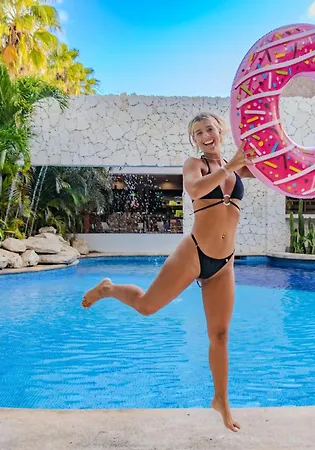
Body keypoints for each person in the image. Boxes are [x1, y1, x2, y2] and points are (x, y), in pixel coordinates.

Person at [82, 112, 255, 432]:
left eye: (209, 129)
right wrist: (229, 166)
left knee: (220, 334)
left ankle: (221, 400)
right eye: (198, 132)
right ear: (194, 140)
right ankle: (108, 288)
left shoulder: (239, 166)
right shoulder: (195, 165)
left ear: (220, 130)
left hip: (225, 262)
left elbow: (277, 170)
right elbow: (195, 190)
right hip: (195, 253)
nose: (205, 135)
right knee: (147, 306)